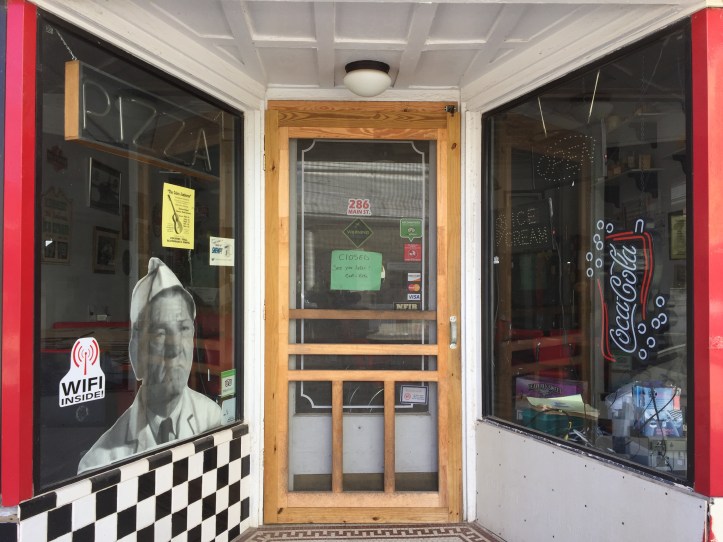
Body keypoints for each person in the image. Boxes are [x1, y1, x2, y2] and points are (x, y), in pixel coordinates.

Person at [78, 257, 221, 473]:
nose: (175, 348)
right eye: (160, 333)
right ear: (137, 349)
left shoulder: (213, 417)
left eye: (183, 329)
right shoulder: (100, 463)